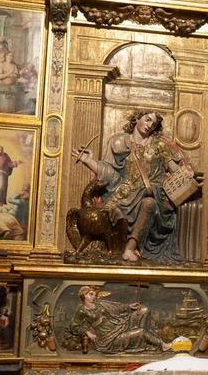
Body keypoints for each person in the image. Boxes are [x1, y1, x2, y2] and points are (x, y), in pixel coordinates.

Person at [72, 110, 188, 262]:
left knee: (149, 203)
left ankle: (130, 248)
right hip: (124, 193)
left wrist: (187, 174)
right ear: (137, 118)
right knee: (112, 211)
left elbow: (174, 169)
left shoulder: (159, 145)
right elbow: (110, 172)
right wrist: (88, 160)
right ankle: (117, 247)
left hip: (152, 193)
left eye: (153, 124)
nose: (149, 125)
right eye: (147, 120)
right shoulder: (119, 142)